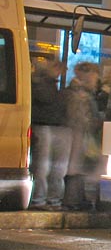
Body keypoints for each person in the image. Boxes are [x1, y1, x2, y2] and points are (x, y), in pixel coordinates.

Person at [29, 54, 71, 210]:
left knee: (57, 167)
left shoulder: (50, 82)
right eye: (57, 68)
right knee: (43, 166)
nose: (60, 72)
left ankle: (52, 200)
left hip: (56, 127)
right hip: (44, 125)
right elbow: (46, 99)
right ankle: (39, 200)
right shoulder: (40, 81)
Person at [62, 61, 102, 211]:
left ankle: (78, 199)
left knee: (80, 168)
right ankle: (73, 200)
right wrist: (94, 122)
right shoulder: (81, 95)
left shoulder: (80, 92)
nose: (96, 81)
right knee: (78, 168)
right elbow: (81, 117)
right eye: (94, 77)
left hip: (81, 135)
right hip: (80, 136)